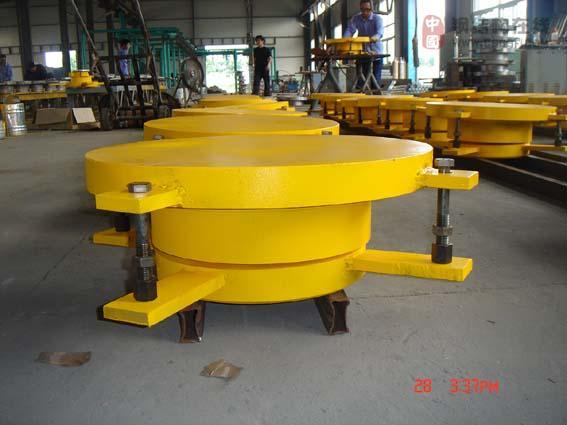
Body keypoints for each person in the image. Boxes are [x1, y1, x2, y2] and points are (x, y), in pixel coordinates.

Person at [343, 0, 384, 90]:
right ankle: (360, 96)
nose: (365, 12)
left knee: (375, 82)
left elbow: (380, 32)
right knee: (360, 80)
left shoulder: (377, 19)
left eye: (367, 10)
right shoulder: (356, 19)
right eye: (362, 10)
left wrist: (375, 37)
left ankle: (375, 96)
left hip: (376, 53)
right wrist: (344, 41)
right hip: (362, 52)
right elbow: (349, 30)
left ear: (371, 8)